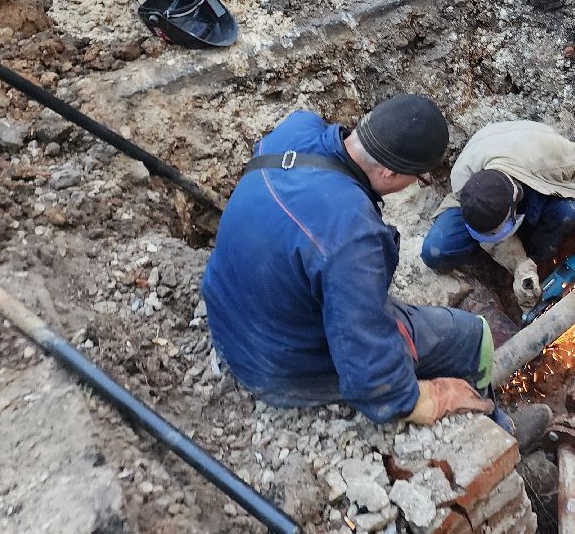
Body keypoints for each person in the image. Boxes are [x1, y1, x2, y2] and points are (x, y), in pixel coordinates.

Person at [200, 94, 496, 426]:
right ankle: (495, 419)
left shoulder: (296, 129)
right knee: (470, 335)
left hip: (229, 317)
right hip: (274, 367)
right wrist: (424, 400)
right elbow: (370, 371)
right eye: (419, 178)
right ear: (387, 172)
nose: (416, 184)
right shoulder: (353, 236)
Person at [421, 120, 575, 311]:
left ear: (514, 205)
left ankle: (541, 261)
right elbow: (494, 237)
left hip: (535, 177)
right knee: (437, 250)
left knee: (571, 211)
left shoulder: (553, 158)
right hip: (488, 188)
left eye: (501, 230)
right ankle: (496, 272)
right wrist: (521, 267)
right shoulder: (462, 177)